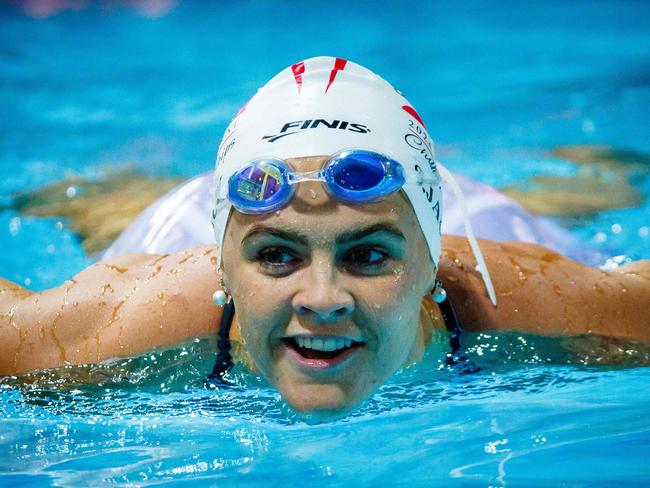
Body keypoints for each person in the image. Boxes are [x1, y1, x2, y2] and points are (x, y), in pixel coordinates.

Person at [1, 57, 648, 421]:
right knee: (100, 213)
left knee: (587, 196)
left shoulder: (523, 300)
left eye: (368, 254)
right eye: (276, 255)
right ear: (220, 266)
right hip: (171, 221)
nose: (322, 298)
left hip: (492, 216)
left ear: (433, 262)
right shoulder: (136, 316)